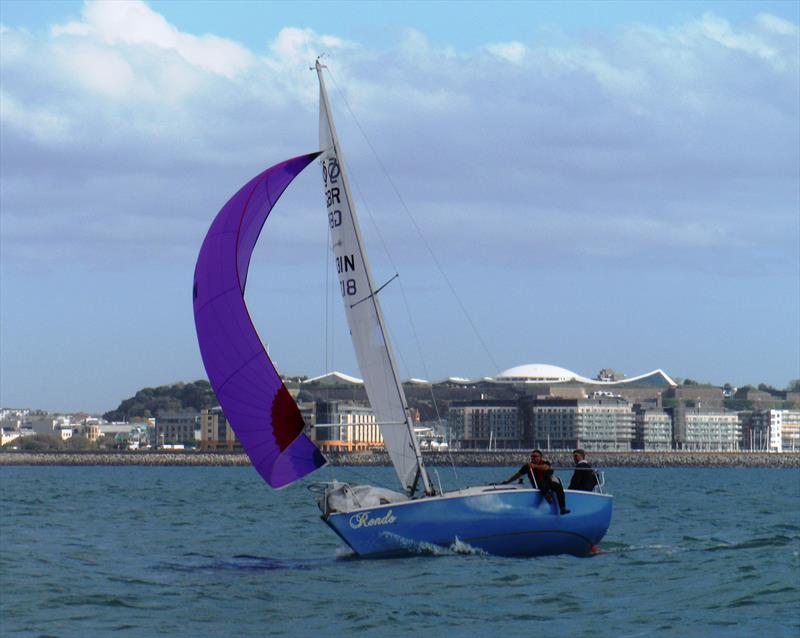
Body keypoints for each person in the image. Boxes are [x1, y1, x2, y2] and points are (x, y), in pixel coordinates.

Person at [501, 449, 570, 514]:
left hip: (548, 482)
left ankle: (562, 508)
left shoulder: (545, 463)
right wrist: (508, 481)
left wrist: (535, 466)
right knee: (542, 484)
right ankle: (547, 496)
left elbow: (546, 467)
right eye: (532, 456)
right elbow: (518, 475)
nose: (533, 458)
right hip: (538, 484)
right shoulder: (527, 466)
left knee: (558, 487)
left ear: (540, 457)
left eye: (535, 456)